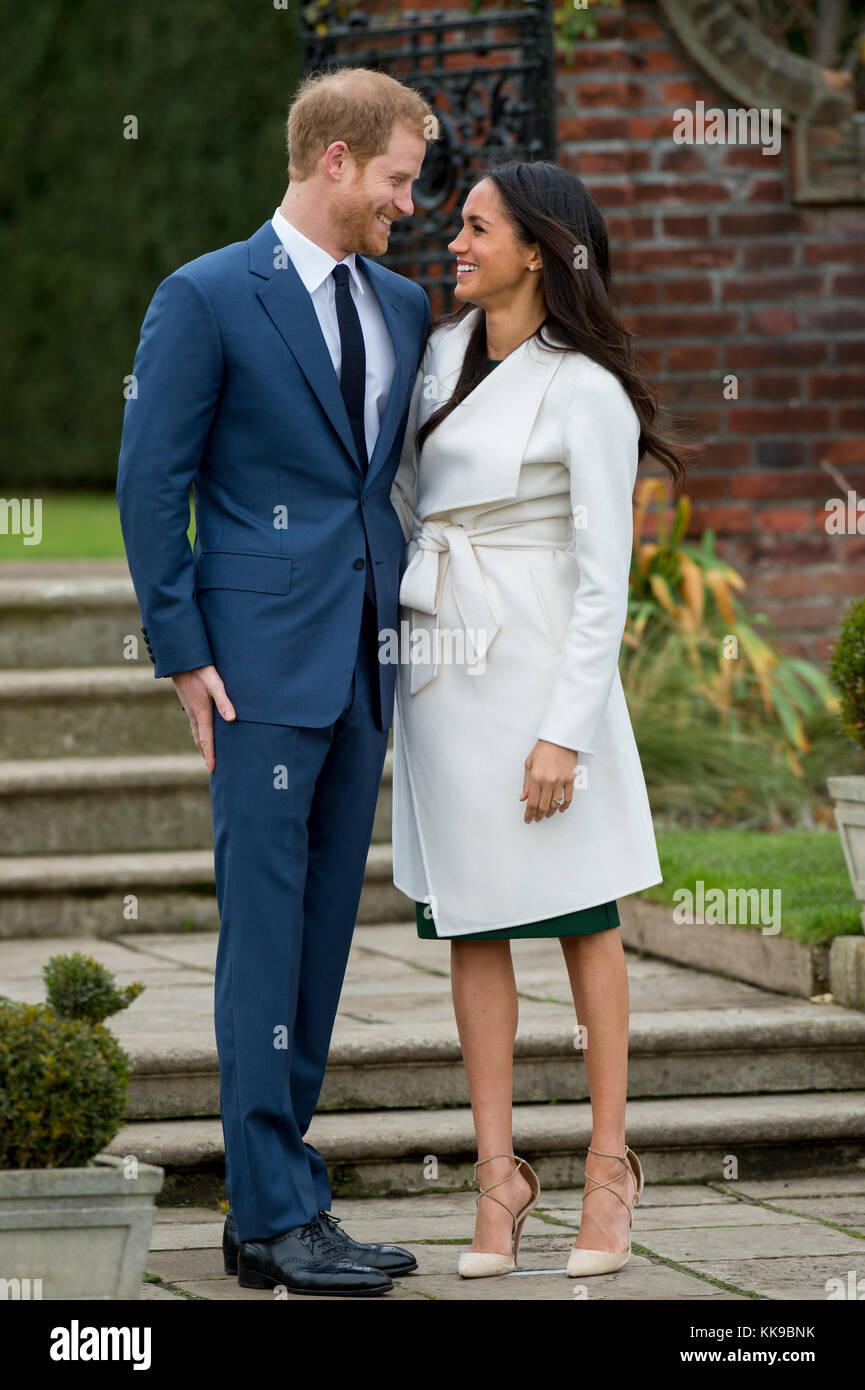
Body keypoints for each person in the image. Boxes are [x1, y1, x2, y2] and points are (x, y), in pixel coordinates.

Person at [117, 67, 436, 1298]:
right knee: (263, 934)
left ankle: (282, 1205)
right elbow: (152, 483)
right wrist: (183, 650)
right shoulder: (204, 295)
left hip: (364, 655)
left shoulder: (404, 305)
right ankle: (269, 1206)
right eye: (400, 179)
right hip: (252, 670)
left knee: (317, 940)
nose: (408, 205)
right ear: (338, 160)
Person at [390, 161, 693, 1280]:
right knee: (470, 921)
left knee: (580, 916)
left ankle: (608, 1167)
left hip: (539, 666)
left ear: (537, 250)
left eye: (475, 227)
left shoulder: (587, 390)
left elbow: (606, 581)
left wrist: (564, 728)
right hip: (440, 666)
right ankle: (497, 1176)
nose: (453, 242)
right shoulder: (431, 360)